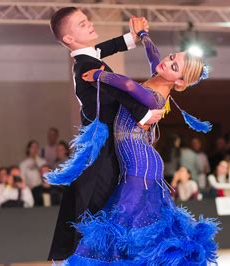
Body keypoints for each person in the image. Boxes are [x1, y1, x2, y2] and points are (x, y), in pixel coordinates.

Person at [47, 21, 218, 264]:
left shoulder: (154, 96)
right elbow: (154, 55)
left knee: (131, 226)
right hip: (139, 161)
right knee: (132, 227)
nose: (166, 62)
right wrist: (144, 36)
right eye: (171, 57)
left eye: (174, 65)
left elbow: (126, 85)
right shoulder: (159, 77)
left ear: (179, 82)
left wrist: (100, 75)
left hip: (140, 164)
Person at [47, 7, 164, 261]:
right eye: (81, 24)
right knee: (95, 202)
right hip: (103, 146)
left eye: (86, 19)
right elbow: (115, 91)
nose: (89, 24)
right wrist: (142, 114)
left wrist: (131, 38)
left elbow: (105, 48)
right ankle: (80, 255)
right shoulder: (85, 67)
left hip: (109, 140)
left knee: (103, 201)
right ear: (69, 39)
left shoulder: (89, 56)